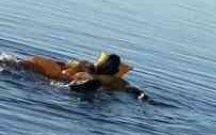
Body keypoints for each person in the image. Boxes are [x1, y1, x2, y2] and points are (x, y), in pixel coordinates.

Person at [1, 51, 148, 100]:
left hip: (64, 83)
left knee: (26, 66)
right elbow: (134, 90)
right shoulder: (118, 81)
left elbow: (134, 90)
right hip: (75, 84)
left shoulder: (99, 75)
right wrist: (143, 97)